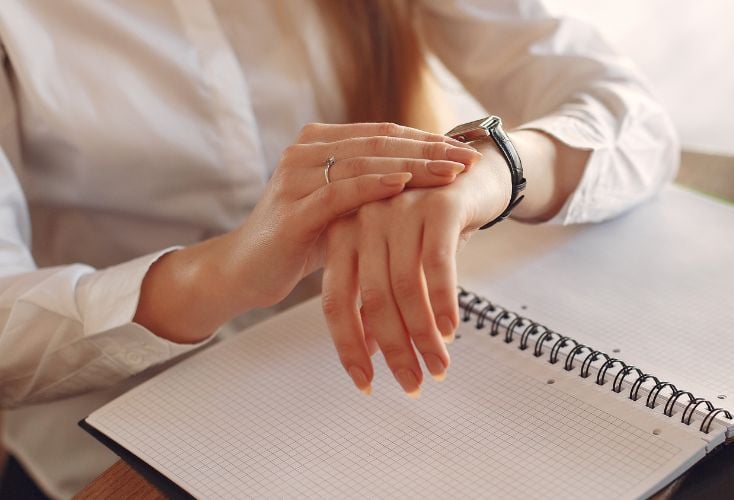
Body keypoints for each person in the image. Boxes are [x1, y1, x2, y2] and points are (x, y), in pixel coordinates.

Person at [0, 0, 678, 497]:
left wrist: (490, 171)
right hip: (110, 456)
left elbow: (634, 117)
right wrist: (225, 272)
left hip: (392, 402)